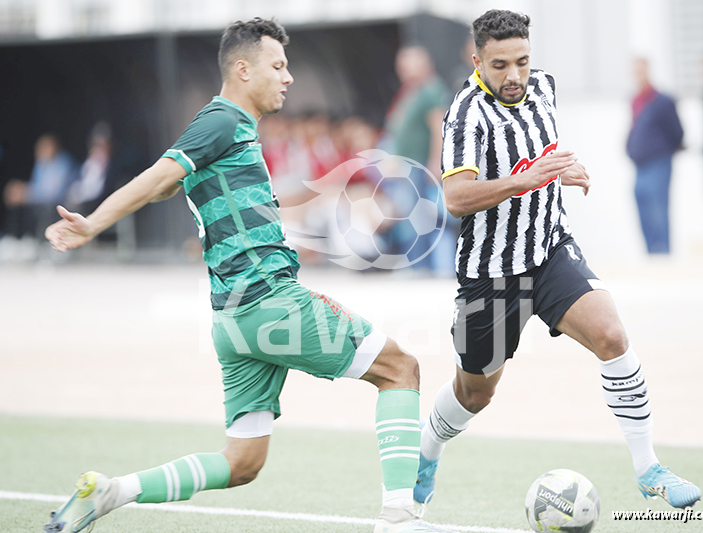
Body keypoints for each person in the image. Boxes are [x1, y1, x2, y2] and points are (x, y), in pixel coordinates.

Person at [44, 18, 454, 533]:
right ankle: (398, 519)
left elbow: (169, 182)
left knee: (242, 462)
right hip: (269, 301)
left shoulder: (224, 130)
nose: (288, 77)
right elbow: (159, 177)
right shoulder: (222, 119)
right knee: (400, 369)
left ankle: (114, 491)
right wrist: (92, 224)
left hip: (233, 319)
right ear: (242, 69)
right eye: (277, 66)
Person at [413, 9, 701, 514]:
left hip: (549, 251)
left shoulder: (544, 87)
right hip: (490, 274)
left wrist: (560, 170)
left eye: (522, 61)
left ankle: (648, 468)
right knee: (474, 394)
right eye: (500, 65)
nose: (514, 75)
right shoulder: (465, 114)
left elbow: (537, 152)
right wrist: (528, 178)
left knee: (611, 335)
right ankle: (427, 452)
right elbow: (455, 198)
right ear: (477, 61)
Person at [383, 45, 454, 274]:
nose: (402, 69)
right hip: (409, 163)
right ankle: (416, 263)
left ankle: (420, 264)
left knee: (420, 215)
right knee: (412, 214)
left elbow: (437, 127)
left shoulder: (431, 89)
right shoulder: (412, 90)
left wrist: (436, 161)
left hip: (421, 162)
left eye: (407, 64)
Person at [626, 58, 683, 254]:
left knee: (657, 211)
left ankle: (663, 254)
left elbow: (677, 132)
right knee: (643, 210)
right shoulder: (635, 100)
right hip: (639, 166)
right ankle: (652, 254)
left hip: (658, 163)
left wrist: (661, 149)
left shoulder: (662, 101)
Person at [1, 133, 78, 260]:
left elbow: (54, 193)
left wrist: (27, 194)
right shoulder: (41, 164)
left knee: (31, 201)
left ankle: (43, 242)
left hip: (59, 202)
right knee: (15, 197)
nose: (40, 152)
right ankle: (16, 239)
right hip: (42, 200)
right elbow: (37, 186)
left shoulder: (63, 162)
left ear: (53, 147)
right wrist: (24, 191)